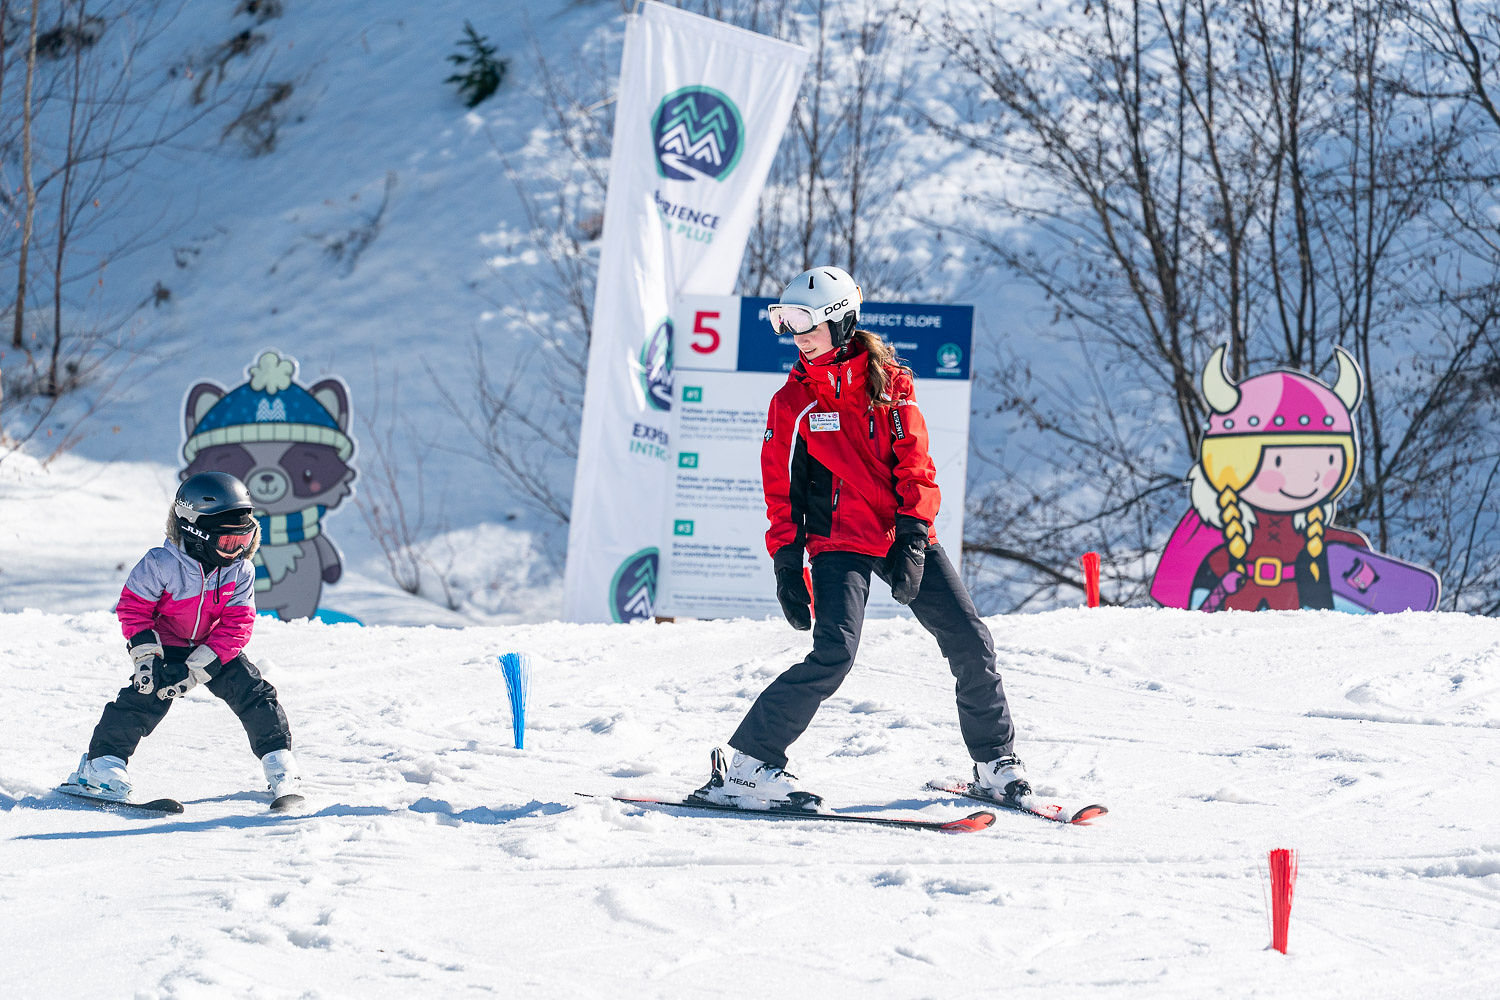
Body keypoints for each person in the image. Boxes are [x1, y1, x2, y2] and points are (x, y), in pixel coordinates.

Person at [695, 265, 1029, 810]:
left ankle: (995, 763)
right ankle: (749, 768)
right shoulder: (791, 404)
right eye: (786, 323)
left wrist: (915, 538)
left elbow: (916, 467)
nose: (796, 336)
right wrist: (786, 561)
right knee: (833, 653)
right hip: (836, 541)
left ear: (842, 321)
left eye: (806, 322)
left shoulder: (891, 385)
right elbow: (780, 492)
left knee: (970, 639)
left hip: (899, 534)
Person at [64, 472, 302, 803]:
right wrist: (146, 656)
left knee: (253, 691)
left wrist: (207, 661)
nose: (238, 552)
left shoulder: (240, 571)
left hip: (212, 646)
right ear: (195, 531)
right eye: (229, 543)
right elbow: (134, 608)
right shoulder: (161, 564)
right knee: (145, 695)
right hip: (165, 645)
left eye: (245, 541)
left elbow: (238, 622)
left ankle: (280, 764)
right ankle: (102, 764)